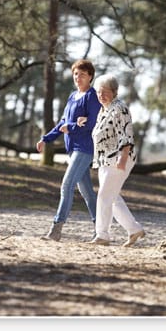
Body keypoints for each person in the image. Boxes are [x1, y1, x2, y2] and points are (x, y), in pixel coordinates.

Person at [35, 59, 101, 241]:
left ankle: (56, 229)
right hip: (72, 149)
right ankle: (101, 231)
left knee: (66, 185)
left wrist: (72, 127)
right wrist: (45, 139)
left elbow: (92, 124)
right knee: (87, 192)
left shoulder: (92, 96)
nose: (77, 77)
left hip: (85, 148)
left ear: (90, 77)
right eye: (75, 74)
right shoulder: (73, 96)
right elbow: (62, 123)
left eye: (82, 74)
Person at [85, 74, 145, 247]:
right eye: (98, 92)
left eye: (105, 92)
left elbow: (126, 135)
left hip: (118, 158)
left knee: (104, 196)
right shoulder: (104, 109)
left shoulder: (120, 108)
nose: (101, 95)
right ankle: (134, 230)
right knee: (113, 197)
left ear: (114, 92)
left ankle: (102, 235)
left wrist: (123, 158)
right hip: (105, 160)